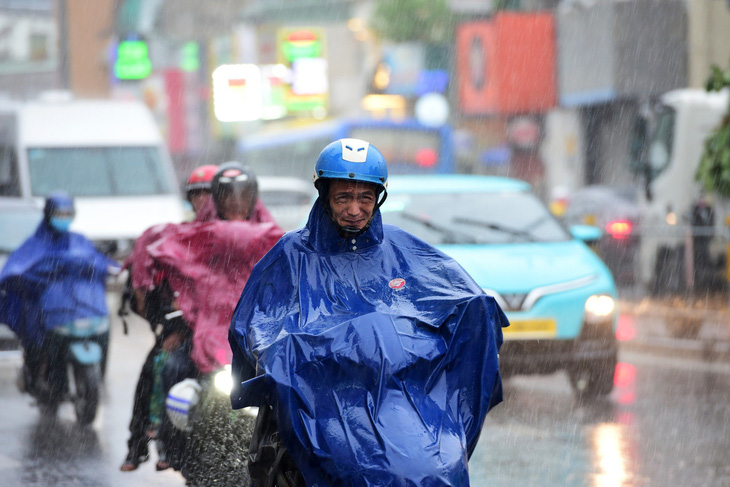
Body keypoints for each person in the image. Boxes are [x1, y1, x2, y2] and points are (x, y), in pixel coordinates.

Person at [229, 138, 509, 486]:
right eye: (343, 197)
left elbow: (462, 299)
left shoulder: (403, 248)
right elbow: (256, 324)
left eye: (365, 198)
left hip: (404, 398)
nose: (355, 209)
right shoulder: (291, 254)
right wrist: (286, 354)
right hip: (326, 402)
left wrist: (477, 316)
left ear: (379, 198)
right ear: (325, 196)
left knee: (438, 472)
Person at [122, 162, 283, 474]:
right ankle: (163, 442)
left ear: (253, 197)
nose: (236, 202)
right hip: (202, 339)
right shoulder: (189, 237)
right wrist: (176, 319)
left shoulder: (275, 239)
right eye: (227, 195)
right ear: (216, 199)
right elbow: (156, 267)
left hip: (256, 342)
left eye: (243, 194)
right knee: (166, 367)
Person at [120, 164, 218, 472]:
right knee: (161, 367)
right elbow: (162, 290)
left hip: (233, 336)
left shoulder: (246, 238)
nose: (204, 201)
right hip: (189, 333)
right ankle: (153, 441)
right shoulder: (179, 238)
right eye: (197, 195)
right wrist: (173, 329)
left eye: (210, 194)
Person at [0, 192, 116, 405]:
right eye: (59, 213)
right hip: (45, 310)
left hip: (76, 309)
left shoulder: (78, 241)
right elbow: (18, 266)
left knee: (106, 332)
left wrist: (110, 268)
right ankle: (37, 376)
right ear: (48, 214)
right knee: (37, 343)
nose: (63, 217)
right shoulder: (35, 243)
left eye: (67, 213)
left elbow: (98, 261)